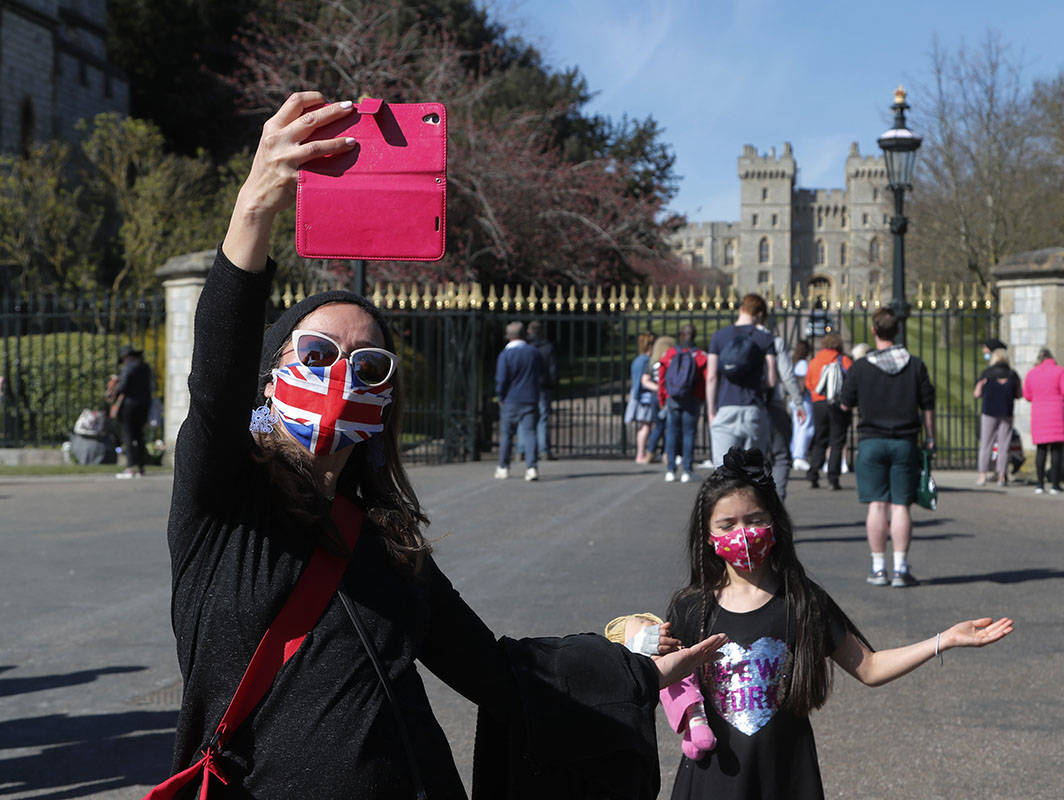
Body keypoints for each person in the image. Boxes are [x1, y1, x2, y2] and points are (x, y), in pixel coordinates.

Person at [154, 92, 725, 800]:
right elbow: (214, 383)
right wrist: (254, 209)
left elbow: (495, 670)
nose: (343, 376)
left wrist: (629, 667)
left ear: (386, 400)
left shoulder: (386, 546)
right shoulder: (224, 509)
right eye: (320, 353)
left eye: (369, 367)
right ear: (271, 375)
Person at [663, 448, 1013, 798]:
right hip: (712, 782)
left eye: (754, 519)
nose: (743, 533)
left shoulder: (803, 601)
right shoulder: (692, 608)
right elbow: (657, 677)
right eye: (727, 525)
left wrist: (944, 640)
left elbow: (870, 667)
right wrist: (637, 636)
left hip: (785, 777)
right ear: (708, 535)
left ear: (774, 522)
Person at [839, 308, 935, 588]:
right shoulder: (915, 365)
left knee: (877, 506)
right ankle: (901, 569)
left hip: (871, 441)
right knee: (901, 506)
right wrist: (930, 437)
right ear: (897, 331)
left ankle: (879, 568)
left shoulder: (861, 367)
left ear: (873, 331)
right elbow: (927, 405)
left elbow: (846, 403)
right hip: (904, 441)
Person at [706, 294, 776, 465]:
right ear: (760, 314)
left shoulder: (719, 336)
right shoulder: (764, 338)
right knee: (752, 473)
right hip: (753, 408)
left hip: (726, 406)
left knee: (724, 474)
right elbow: (772, 380)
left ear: (741, 309)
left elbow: (712, 376)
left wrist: (711, 410)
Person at [657, 323, 708, 483]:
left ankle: (670, 470)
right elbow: (705, 380)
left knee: (671, 432)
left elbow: (661, 377)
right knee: (689, 434)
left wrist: (662, 398)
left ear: (681, 335)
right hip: (692, 398)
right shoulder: (700, 355)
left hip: (673, 398)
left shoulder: (670, 354)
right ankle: (687, 470)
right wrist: (702, 398)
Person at [494, 320, 544, 481]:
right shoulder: (533, 352)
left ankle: (503, 467)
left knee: (507, 435)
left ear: (508, 336)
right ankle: (531, 468)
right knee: (530, 433)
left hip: (510, 399)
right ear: (524, 334)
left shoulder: (505, 355)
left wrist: (500, 396)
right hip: (530, 398)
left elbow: (501, 379)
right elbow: (540, 374)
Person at [1023, 347, 1064, 495]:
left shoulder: (1032, 373)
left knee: (1041, 450)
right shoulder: (1059, 371)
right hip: (1056, 413)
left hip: (1039, 414)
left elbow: (1027, 395)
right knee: (1056, 450)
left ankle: (1039, 484)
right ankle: (1055, 485)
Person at [804, 333, 851, 490]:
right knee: (837, 440)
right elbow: (851, 382)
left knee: (820, 438)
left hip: (818, 403)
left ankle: (813, 472)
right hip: (837, 403)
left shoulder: (814, 361)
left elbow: (809, 383)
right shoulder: (843, 360)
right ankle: (833, 477)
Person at [973, 339, 1021, 486]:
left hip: (989, 412)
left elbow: (977, 393)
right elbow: (1019, 393)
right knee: (1004, 445)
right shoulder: (1012, 374)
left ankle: (983, 475)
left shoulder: (987, 374)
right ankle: (1002, 475)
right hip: (1006, 412)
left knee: (986, 444)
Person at [763, 327, 804, 499]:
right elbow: (787, 375)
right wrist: (798, 402)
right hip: (774, 404)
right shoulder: (775, 342)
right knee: (780, 456)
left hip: (748, 404)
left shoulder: (737, 339)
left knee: (756, 458)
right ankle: (776, 504)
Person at [110, 343, 153, 478]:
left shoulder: (129, 368)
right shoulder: (145, 367)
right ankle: (141, 468)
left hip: (129, 406)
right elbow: (149, 387)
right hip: (144, 405)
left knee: (128, 435)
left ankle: (129, 467)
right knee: (140, 436)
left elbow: (123, 387)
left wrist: (115, 389)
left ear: (126, 356)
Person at [525, 320, 558, 461]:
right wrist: (551, 383)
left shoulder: (526, 347)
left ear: (529, 332)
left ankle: (522, 450)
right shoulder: (547, 347)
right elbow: (552, 368)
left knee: (526, 419)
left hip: (527, 386)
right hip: (542, 386)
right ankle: (544, 449)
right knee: (543, 418)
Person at [643, 335, 676, 464]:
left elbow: (645, 381)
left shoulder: (652, 362)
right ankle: (667, 455)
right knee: (669, 427)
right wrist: (663, 389)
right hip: (667, 397)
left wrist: (657, 388)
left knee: (658, 426)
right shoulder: (670, 361)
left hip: (654, 397)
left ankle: (650, 453)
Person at [628, 330, 658, 463]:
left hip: (639, 396)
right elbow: (643, 381)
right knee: (646, 426)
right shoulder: (646, 360)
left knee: (646, 426)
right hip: (644, 397)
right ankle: (640, 454)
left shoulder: (638, 359)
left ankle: (643, 453)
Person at [788, 341, 813, 471]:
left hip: (794, 400)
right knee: (806, 427)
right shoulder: (803, 364)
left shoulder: (795, 362)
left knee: (797, 427)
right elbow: (802, 382)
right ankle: (800, 456)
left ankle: (795, 454)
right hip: (803, 400)